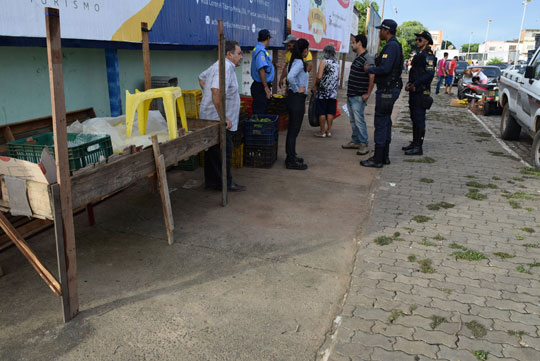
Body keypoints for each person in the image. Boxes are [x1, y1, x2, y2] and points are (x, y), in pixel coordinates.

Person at [199, 40, 246, 192]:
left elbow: (202, 78)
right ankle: (226, 183)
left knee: (213, 152)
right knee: (224, 150)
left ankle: (213, 182)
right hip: (217, 119)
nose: (241, 57)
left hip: (212, 116)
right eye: (239, 53)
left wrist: (208, 96)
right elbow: (216, 92)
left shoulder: (220, 65)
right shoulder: (224, 67)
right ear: (229, 54)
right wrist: (223, 117)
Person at [361, 19, 403, 168]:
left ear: (387, 30)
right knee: (385, 122)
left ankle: (377, 159)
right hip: (390, 88)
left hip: (387, 89)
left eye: (381, 30)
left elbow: (385, 69)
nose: (379, 32)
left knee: (380, 122)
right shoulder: (393, 45)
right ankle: (384, 156)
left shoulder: (392, 46)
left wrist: (369, 70)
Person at [402, 30, 435, 156]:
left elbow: (429, 74)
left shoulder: (428, 55)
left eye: (420, 39)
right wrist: (409, 83)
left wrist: (415, 84)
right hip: (414, 90)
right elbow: (414, 72)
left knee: (419, 119)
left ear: (426, 41)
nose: (417, 41)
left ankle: (418, 147)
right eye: (417, 39)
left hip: (421, 91)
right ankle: (414, 142)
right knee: (414, 117)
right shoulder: (418, 54)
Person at [342, 34, 374, 154]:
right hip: (352, 95)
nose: (352, 45)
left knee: (359, 120)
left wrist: (367, 94)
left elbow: (372, 76)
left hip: (358, 96)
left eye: (353, 42)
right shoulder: (358, 57)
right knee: (353, 120)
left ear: (359, 43)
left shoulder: (367, 58)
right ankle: (355, 141)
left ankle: (364, 144)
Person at [285, 38, 310, 170]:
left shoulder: (296, 60)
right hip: (296, 99)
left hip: (294, 99)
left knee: (293, 130)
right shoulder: (299, 62)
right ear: (304, 49)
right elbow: (290, 77)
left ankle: (292, 155)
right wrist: (297, 88)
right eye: (307, 49)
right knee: (294, 130)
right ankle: (290, 160)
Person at [312, 44, 340, 138]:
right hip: (333, 92)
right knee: (330, 111)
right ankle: (329, 131)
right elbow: (338, 77)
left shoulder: (324, 61)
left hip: (323, 91)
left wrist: (315, 85)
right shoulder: (336, 63)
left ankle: (322, 131)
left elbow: (319, 76)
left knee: (322, 111)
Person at [251, 29, 275, 114]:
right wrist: (266, 87)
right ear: (268, 38)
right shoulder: (260, 51)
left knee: (263, 110)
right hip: (260, 87)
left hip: (261, 86)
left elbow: (265, 65)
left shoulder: (261, 49)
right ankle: (257, 127)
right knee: (260, 112)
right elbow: (261, 69)